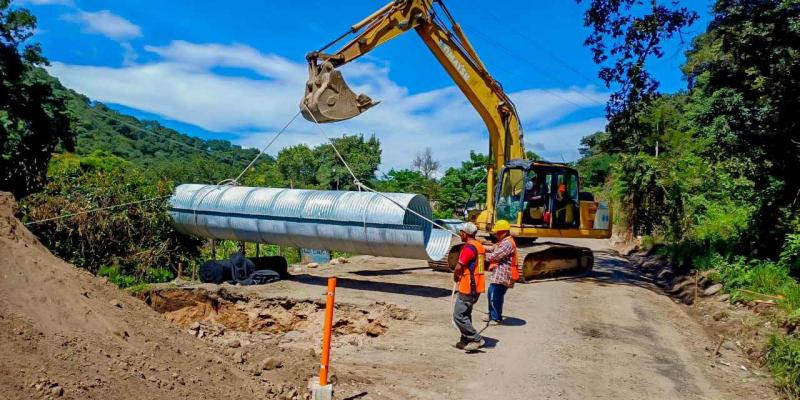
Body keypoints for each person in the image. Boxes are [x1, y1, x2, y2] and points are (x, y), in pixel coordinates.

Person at [452, 222, 486, 352]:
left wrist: (456, 276)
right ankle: (465, 339)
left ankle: (475, 338)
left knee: (458, 315)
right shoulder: (479, 246)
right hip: (477, 285)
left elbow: (459, 266)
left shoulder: (468, 248)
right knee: (466, 313)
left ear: (465, 233)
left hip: (468, 286)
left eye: (461, 232)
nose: (460, 234)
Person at [483, 220, 519, 324]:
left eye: (497, 232)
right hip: (499, 274)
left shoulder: (507, 243)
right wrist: (480, 246)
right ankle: (491, 314)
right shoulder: (503, 241)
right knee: (491, 293)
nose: (496, 234)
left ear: (504, 232)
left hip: (503, 275)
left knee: (496, 296)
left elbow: (495, 256)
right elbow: (493, 248)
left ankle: (496, 318)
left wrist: (480, 254)